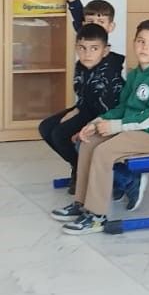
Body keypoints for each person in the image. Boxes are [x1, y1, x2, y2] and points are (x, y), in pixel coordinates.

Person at [53, 19, 149, 234]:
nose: (145, 47)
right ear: (134, 43)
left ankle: (96, 216)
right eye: (140, 41)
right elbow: (123, 107)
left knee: (103, 151)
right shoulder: (137, 72)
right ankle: (81, 203)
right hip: (135, 129)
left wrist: (116, 126)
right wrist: (96, 122)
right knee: (89, 142)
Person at [39, 23, 126, 191]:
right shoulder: (81, 66)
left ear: (105, 50)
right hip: (88, 109)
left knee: (59, 134)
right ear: (76, 48)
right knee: (46, 127)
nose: (87, 54)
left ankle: (84, 171)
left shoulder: (109, 74)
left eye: (94, 49)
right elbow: (83, 96)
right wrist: (74, 111)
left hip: (106, 117)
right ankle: (79, 167)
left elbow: (107, 111)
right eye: (82, 48)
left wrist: (83, 129)